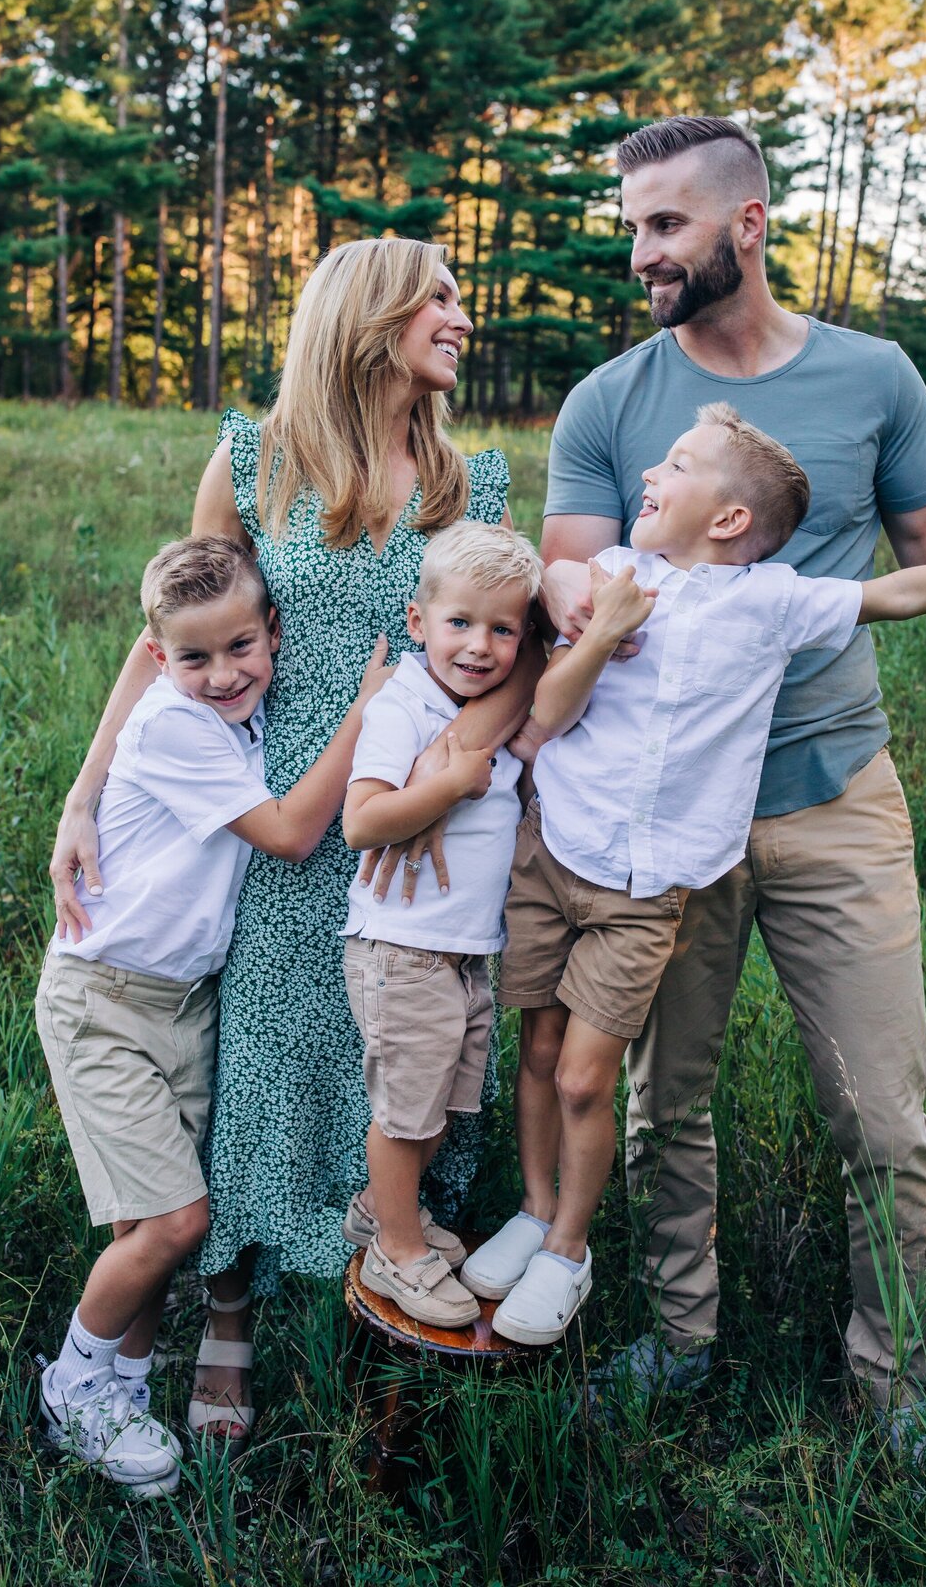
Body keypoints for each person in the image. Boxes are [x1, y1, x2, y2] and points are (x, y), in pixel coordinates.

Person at [537, 116, 926, 1419]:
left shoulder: (874, 378)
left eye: (665, 224)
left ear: (748, 223)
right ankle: (679, 1340)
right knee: (666, 1104)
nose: (641, 253)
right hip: (664, 827)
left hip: (836, 795)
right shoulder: (610, 401)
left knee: (884, 1120)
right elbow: (566, 570)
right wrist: (577, 600)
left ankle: (898, 1388)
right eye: (633, 226)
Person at [48, 239, 542, 1445]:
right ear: (371, 318)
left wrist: (446, 776)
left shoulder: (470, 482)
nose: (461, 318)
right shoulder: (255, 459)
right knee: (265, 1066)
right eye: (440, 298)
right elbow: (169, 638)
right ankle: (229, 1312)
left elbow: (508, 652)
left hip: (417, 831)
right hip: (273, 822)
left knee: (407, 1053)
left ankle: (390, 1290)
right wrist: (85, 789)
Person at [466, 405, 926, 1348]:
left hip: (656, 882)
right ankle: (553, 1230)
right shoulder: (615, 575)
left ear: (728, 519)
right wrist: (597, 622)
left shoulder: (774, 600)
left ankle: (572, 1251)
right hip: (560, 848)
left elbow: (899, 592)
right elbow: (548, 710)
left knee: (588, 1073)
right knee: (545, 1053)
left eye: (675, 466)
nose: (649, 477)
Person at [37, 536, 390, 1493]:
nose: (226, 674)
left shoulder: (233, 710)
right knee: (176, 1221)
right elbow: (290, 833)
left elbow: (199, 659)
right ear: (159, 659)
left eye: (242, 647)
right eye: (195, 657)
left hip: (181, 1003)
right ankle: (72, 1386)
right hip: (106, 1002)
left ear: (273, 631)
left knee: (145, 1225)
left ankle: (124, 1386)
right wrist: (365, 712)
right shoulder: (174, 727)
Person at [340, 521, 542, 1326]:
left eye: (503, 629)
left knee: (437, 1110)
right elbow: (362, 821)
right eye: (460, 622)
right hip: (404, 951)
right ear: (418, 622)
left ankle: (379, 1213)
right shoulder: (405, 706)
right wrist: (451, 785)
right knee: (405, 1116)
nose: (480, 646)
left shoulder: (483, 711)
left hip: (462, 954)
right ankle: (398, 1250)